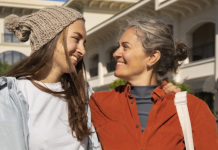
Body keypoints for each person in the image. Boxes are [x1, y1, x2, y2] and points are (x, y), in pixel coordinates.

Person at [0, 6, 180, 150]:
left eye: (84, 43)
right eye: (76, 39)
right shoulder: (10, 95)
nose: (82, 50)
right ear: (51, 38)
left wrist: (157, 93)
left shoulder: (84, 95)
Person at [89, 17, 218, 150]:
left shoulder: (193, 109)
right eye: (118, 47)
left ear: (152, 57)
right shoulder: (98, 104)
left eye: (125, 47)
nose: (116, 53)